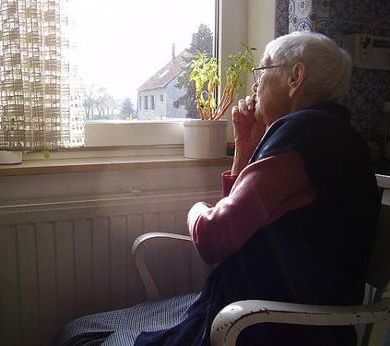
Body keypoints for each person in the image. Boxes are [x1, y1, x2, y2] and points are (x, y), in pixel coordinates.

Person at [52, 31, 379, 346]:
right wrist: (245, 146)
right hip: (289, 317)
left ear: (296, 77)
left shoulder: (302, 133)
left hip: (268, 326)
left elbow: (215, 238)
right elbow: (243, 222)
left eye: (263, 69)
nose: (256, 83)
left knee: (80, 334)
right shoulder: (332, 133)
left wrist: (195, 210)